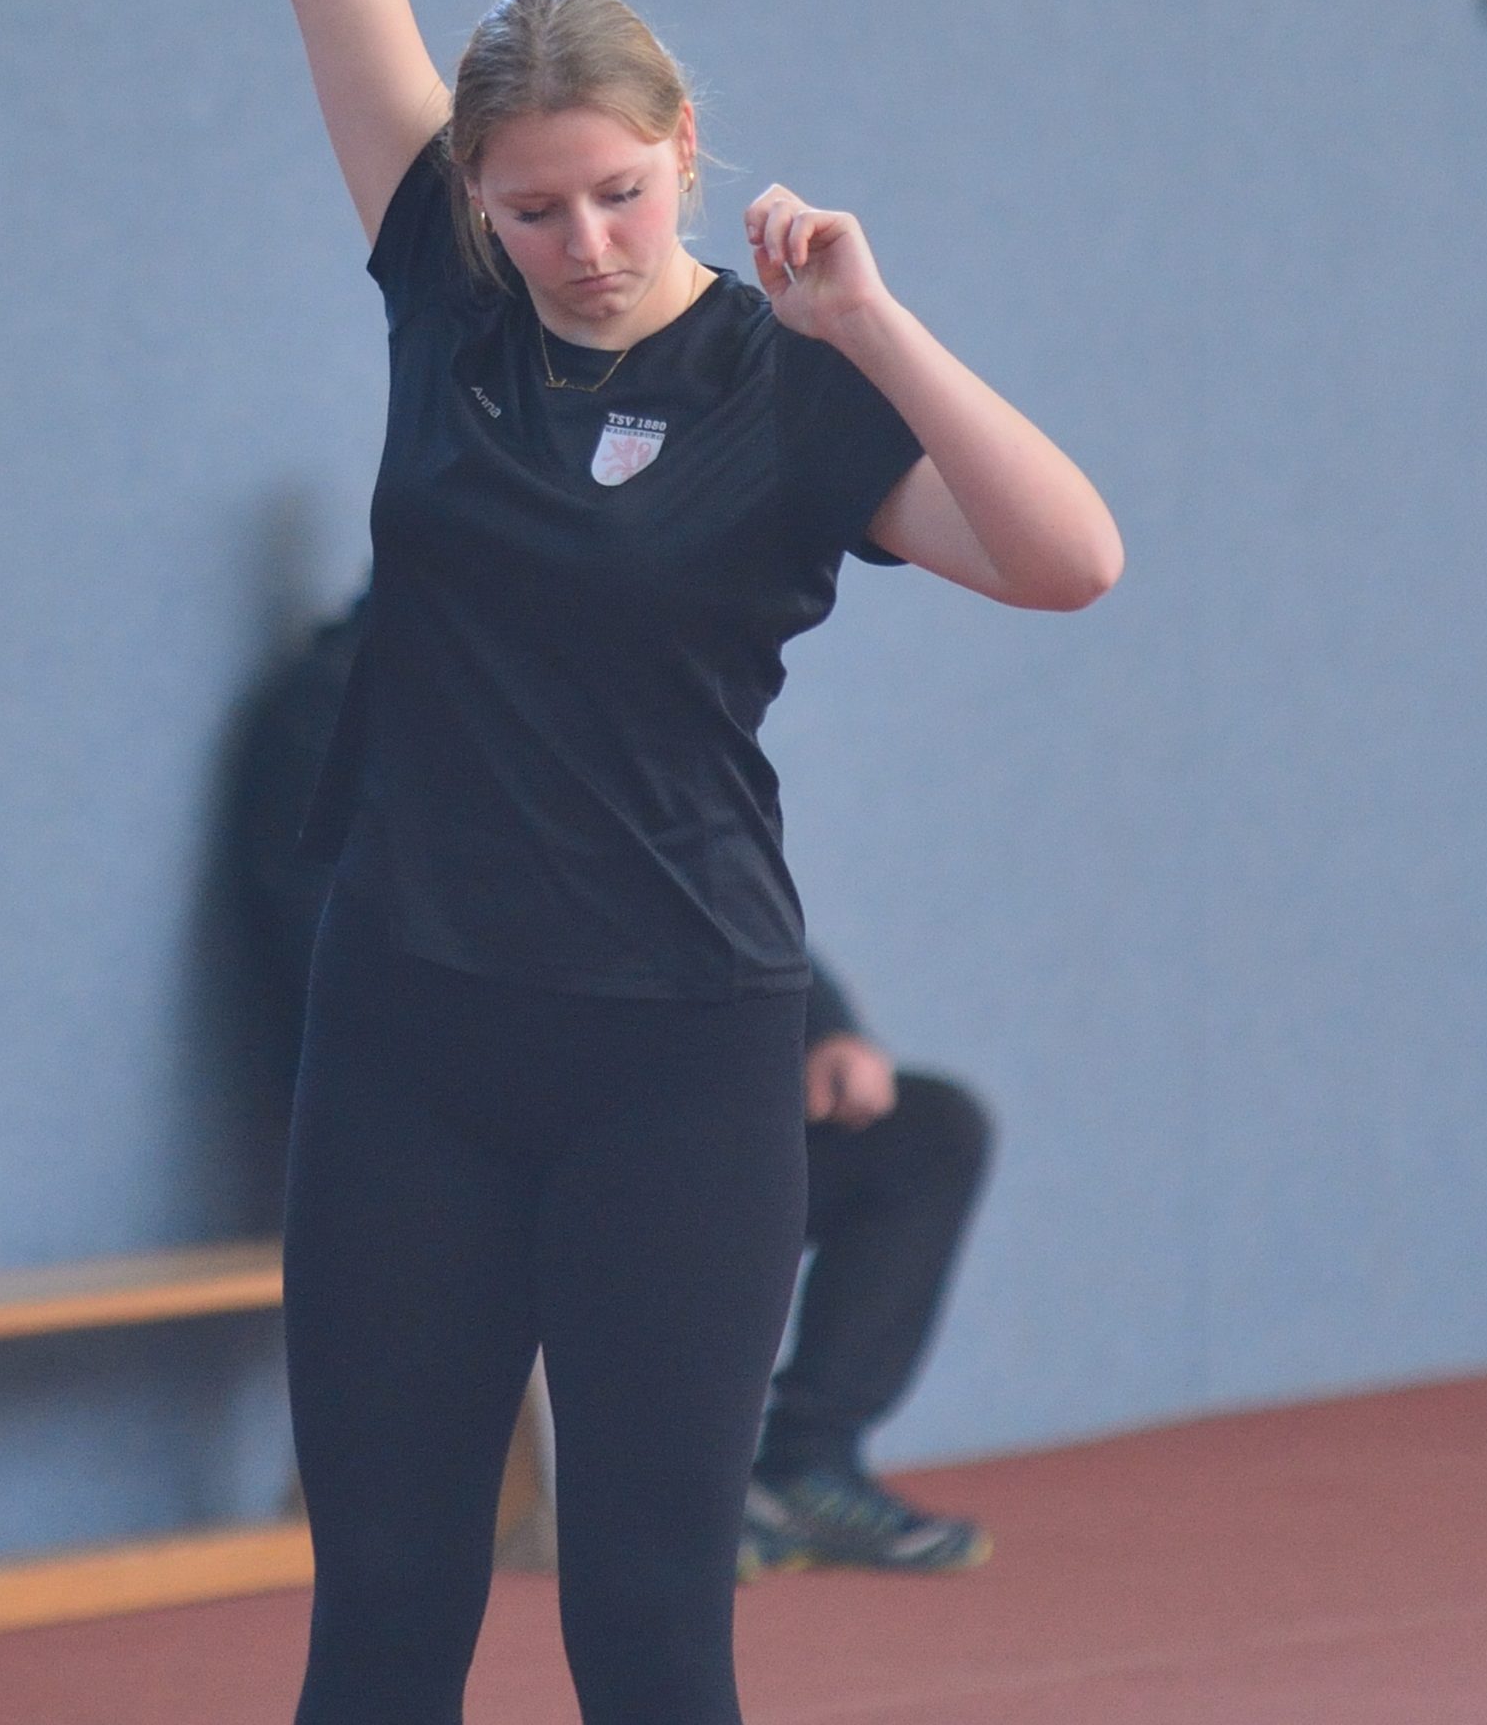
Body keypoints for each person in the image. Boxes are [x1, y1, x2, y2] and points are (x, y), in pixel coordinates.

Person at [216, 0, 1121, 1725]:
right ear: (473, 202)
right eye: (532, 208)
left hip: (677, 1056)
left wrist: (876, 323)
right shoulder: (446, 304)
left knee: (645, 1625)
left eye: (616, 192)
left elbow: (1067, 559)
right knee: (383, 1615)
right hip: (409, 1033)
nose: (580, 243)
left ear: (684, 149)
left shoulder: (792, 387)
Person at [227, 594, 997, 1580]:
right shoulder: (334, 715)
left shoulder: (584, 695)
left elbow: (713, 879)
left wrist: (823, 1025)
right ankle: (652, 1505)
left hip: (646, 1108)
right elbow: (343, 977)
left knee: (923, 1134)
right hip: (456, 1140)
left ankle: (804, 1466)